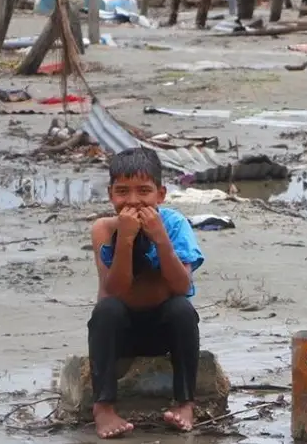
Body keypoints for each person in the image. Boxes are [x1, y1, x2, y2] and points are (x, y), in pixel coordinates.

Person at [89, 147, 205, 439]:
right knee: (105, 312)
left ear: (161, 194)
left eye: (144, 191)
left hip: (164, 330)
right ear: (110, 194)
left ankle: (185, 403)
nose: (133, 201)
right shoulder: (104, 229)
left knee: (183, 310)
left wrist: (160, 237)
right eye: (122, 192)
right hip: (122, 332)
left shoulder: (176, 225)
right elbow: (112, 290)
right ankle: (103, 407)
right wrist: (126, 240)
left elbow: (182, 287)